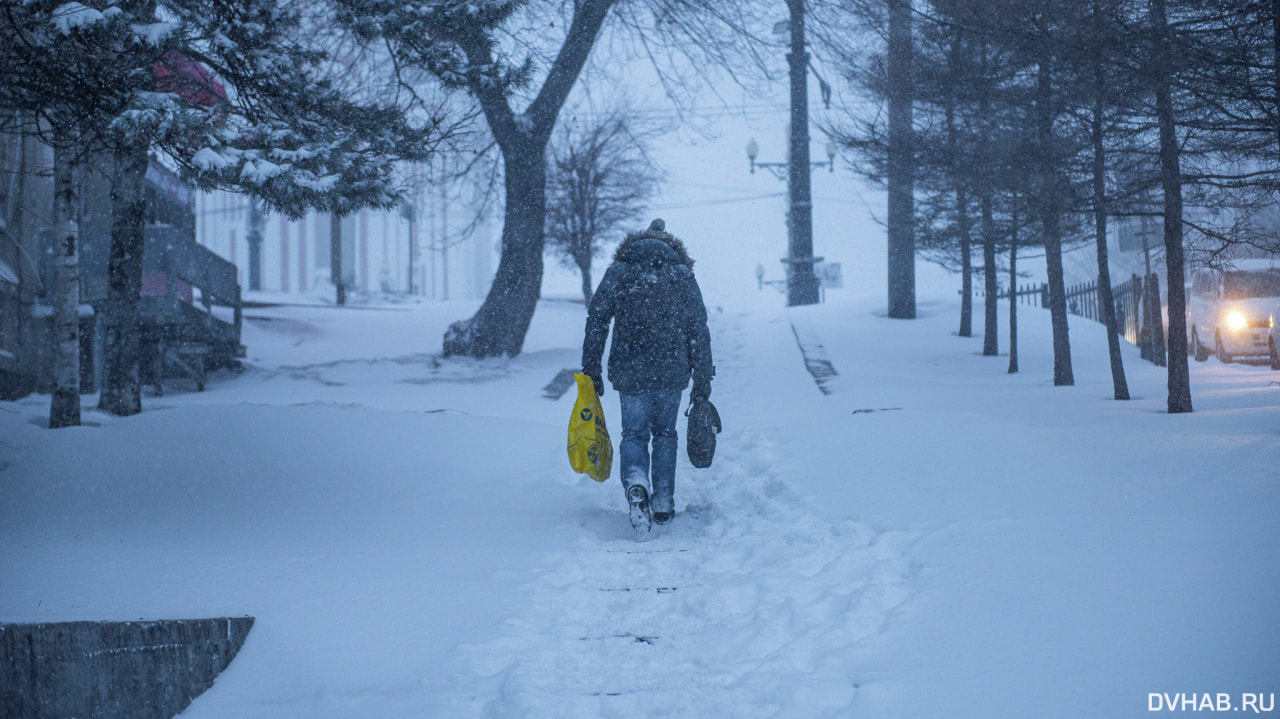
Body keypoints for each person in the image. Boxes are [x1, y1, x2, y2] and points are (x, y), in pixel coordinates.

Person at [582, 219, 714, 531]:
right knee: (665, 434)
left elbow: (597, 319)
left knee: (634, 434)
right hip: (671, 369)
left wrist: (591, 367)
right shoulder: (681, 275)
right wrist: (702, 377)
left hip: (630, 368)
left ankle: (636, 484)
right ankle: (664, 501)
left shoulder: (619, 272)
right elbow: (699, 328)